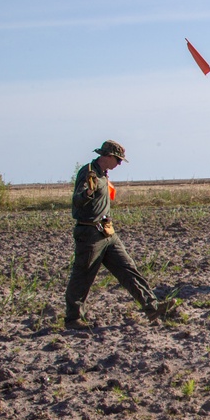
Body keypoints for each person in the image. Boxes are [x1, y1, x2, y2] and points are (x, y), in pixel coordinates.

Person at [64, 140, 178, 330]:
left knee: (128, 268)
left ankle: (152, 307)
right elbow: (77, 200)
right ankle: (72, 319)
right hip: (89, 234)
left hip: (107, 232)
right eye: (117, 160)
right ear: (107, 156)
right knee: (82, 275)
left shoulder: (103, 174)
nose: (118, 164)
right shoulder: (89, 172)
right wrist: (88, 193)